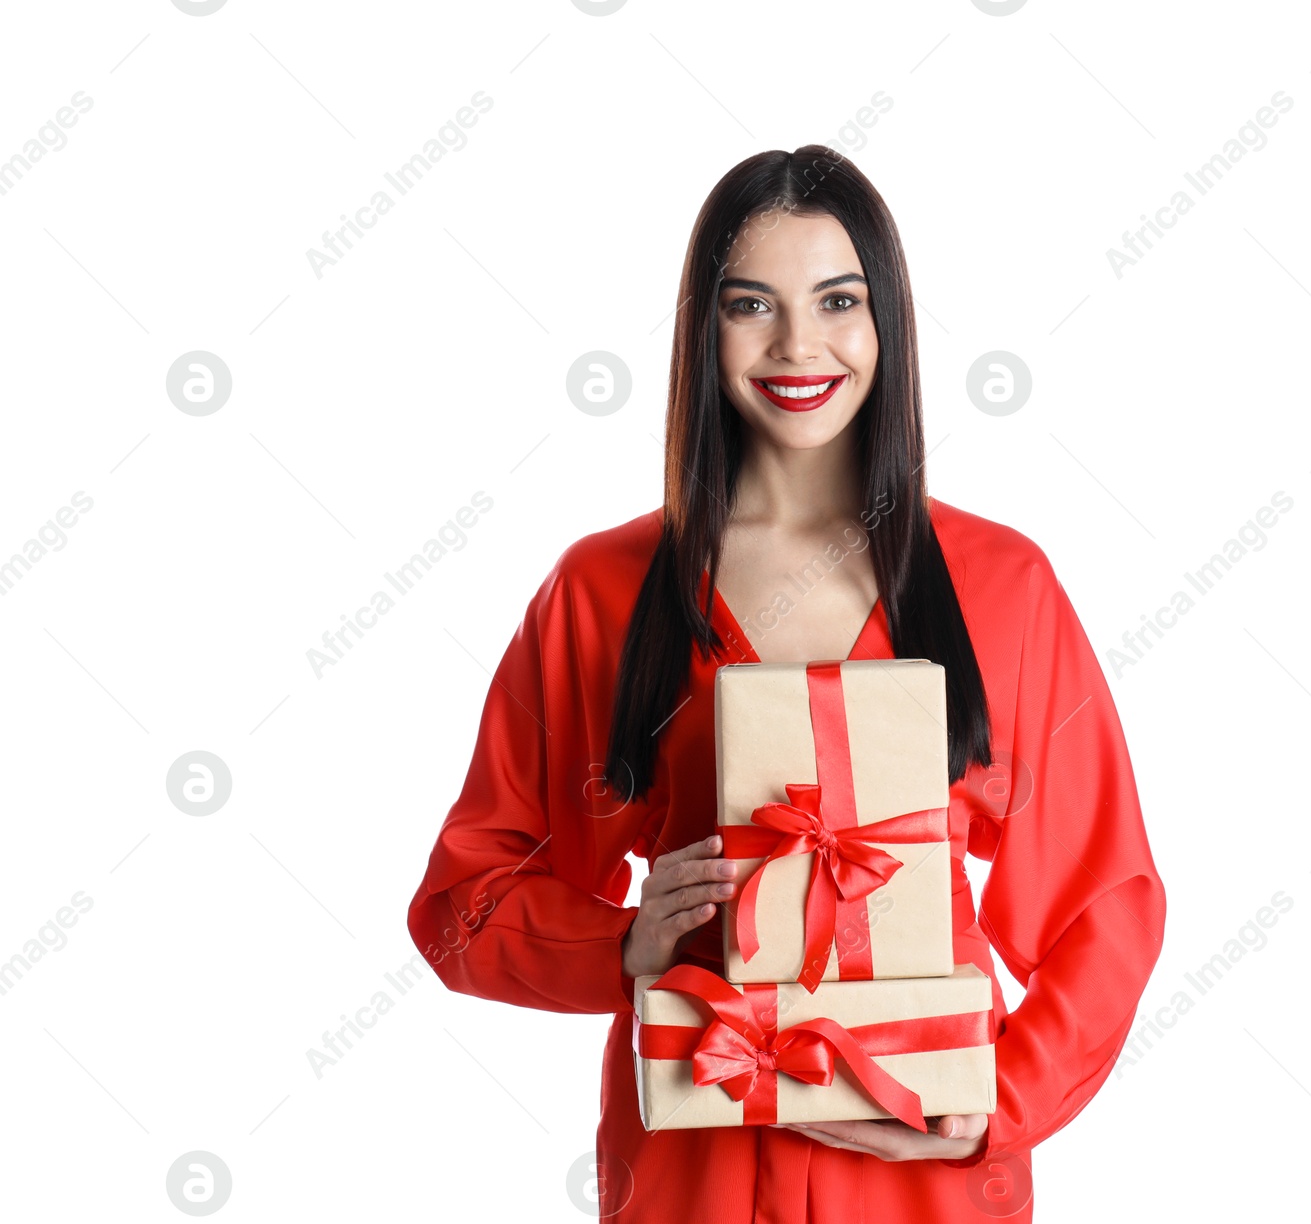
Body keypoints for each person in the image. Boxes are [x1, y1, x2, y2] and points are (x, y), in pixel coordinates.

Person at [405, 145, 1166, 1222]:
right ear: (699, 327)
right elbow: (460, 902)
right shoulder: (601, 591)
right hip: (691, 1168)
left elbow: (1104, 901)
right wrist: (618, 940)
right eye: (750, 303)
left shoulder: (1004, 586)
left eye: (837, 300)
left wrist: (1004, 1094)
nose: (797, 344)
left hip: (923, 1165)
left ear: (885, 322)